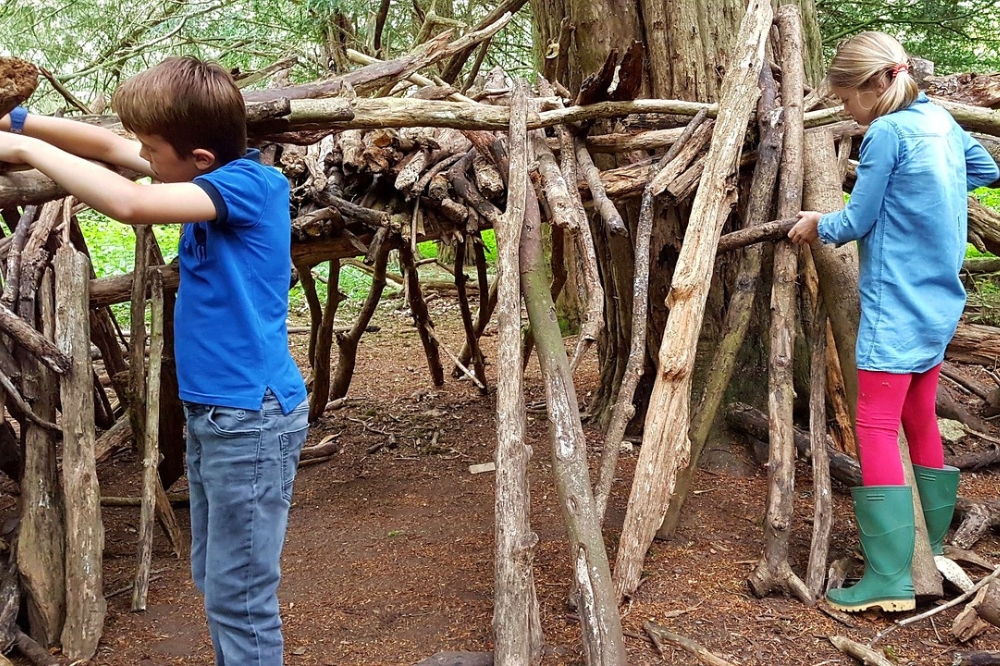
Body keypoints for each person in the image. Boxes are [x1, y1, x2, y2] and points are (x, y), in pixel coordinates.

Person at [0, 57, 309, 664]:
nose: (141, 154)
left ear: (198, 158)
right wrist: (22, 118)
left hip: (250, 418)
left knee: (239, 595)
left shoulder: (251, 186)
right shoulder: (208, 170)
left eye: (152, 148)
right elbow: (108, 146)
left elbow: (130, 203)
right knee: (217, 580)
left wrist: (20, 148)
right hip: (218, 416)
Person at [789, 32, 999, 613]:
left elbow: (856, 219)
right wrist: (933, 193)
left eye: (848, 102)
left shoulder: (886, 133)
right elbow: (984, 169)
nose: (849, 116)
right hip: (938, 299)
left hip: (895, 302)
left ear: (874, 86)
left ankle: (890, 576)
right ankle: (926, 543)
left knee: (874, 425)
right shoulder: (938, 121)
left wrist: (815, 223)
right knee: (918, 414)